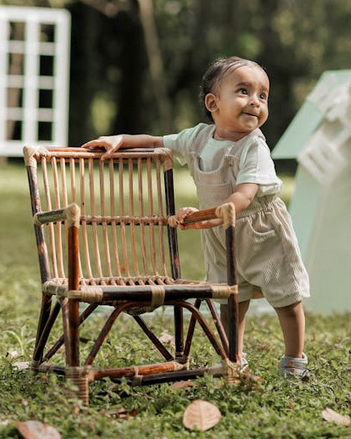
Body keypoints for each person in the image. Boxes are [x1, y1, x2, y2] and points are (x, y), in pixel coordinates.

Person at [82, 56, 310, 378]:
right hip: (219, 234)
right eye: (244, 91)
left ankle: (294, 360)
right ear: (213, 103)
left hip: (260, 230)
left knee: (285, 295)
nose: (256, 102)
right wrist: (120, 140)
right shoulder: (199, 138)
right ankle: (235, 357)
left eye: (263, 95)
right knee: (230, 300)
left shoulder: (253, 147)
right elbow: (156, 142)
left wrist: (210, 215)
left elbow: (243, 195)